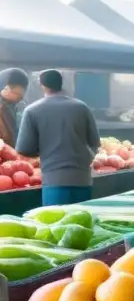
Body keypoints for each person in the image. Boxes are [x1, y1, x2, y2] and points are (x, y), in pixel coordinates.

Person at [16, 70, 100, 206]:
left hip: (54, 180)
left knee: (55, 224)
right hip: (83, 179)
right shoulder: (81, 107)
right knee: (82, 223)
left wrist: (44, 150)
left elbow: (24, 149)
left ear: (42, 85)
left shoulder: (32, 110)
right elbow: (95, 142)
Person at [0, 68, 29, 146]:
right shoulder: (3, 109)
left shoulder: (17, 107)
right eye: (16, 93)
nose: (21, 97)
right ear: (4, 89)